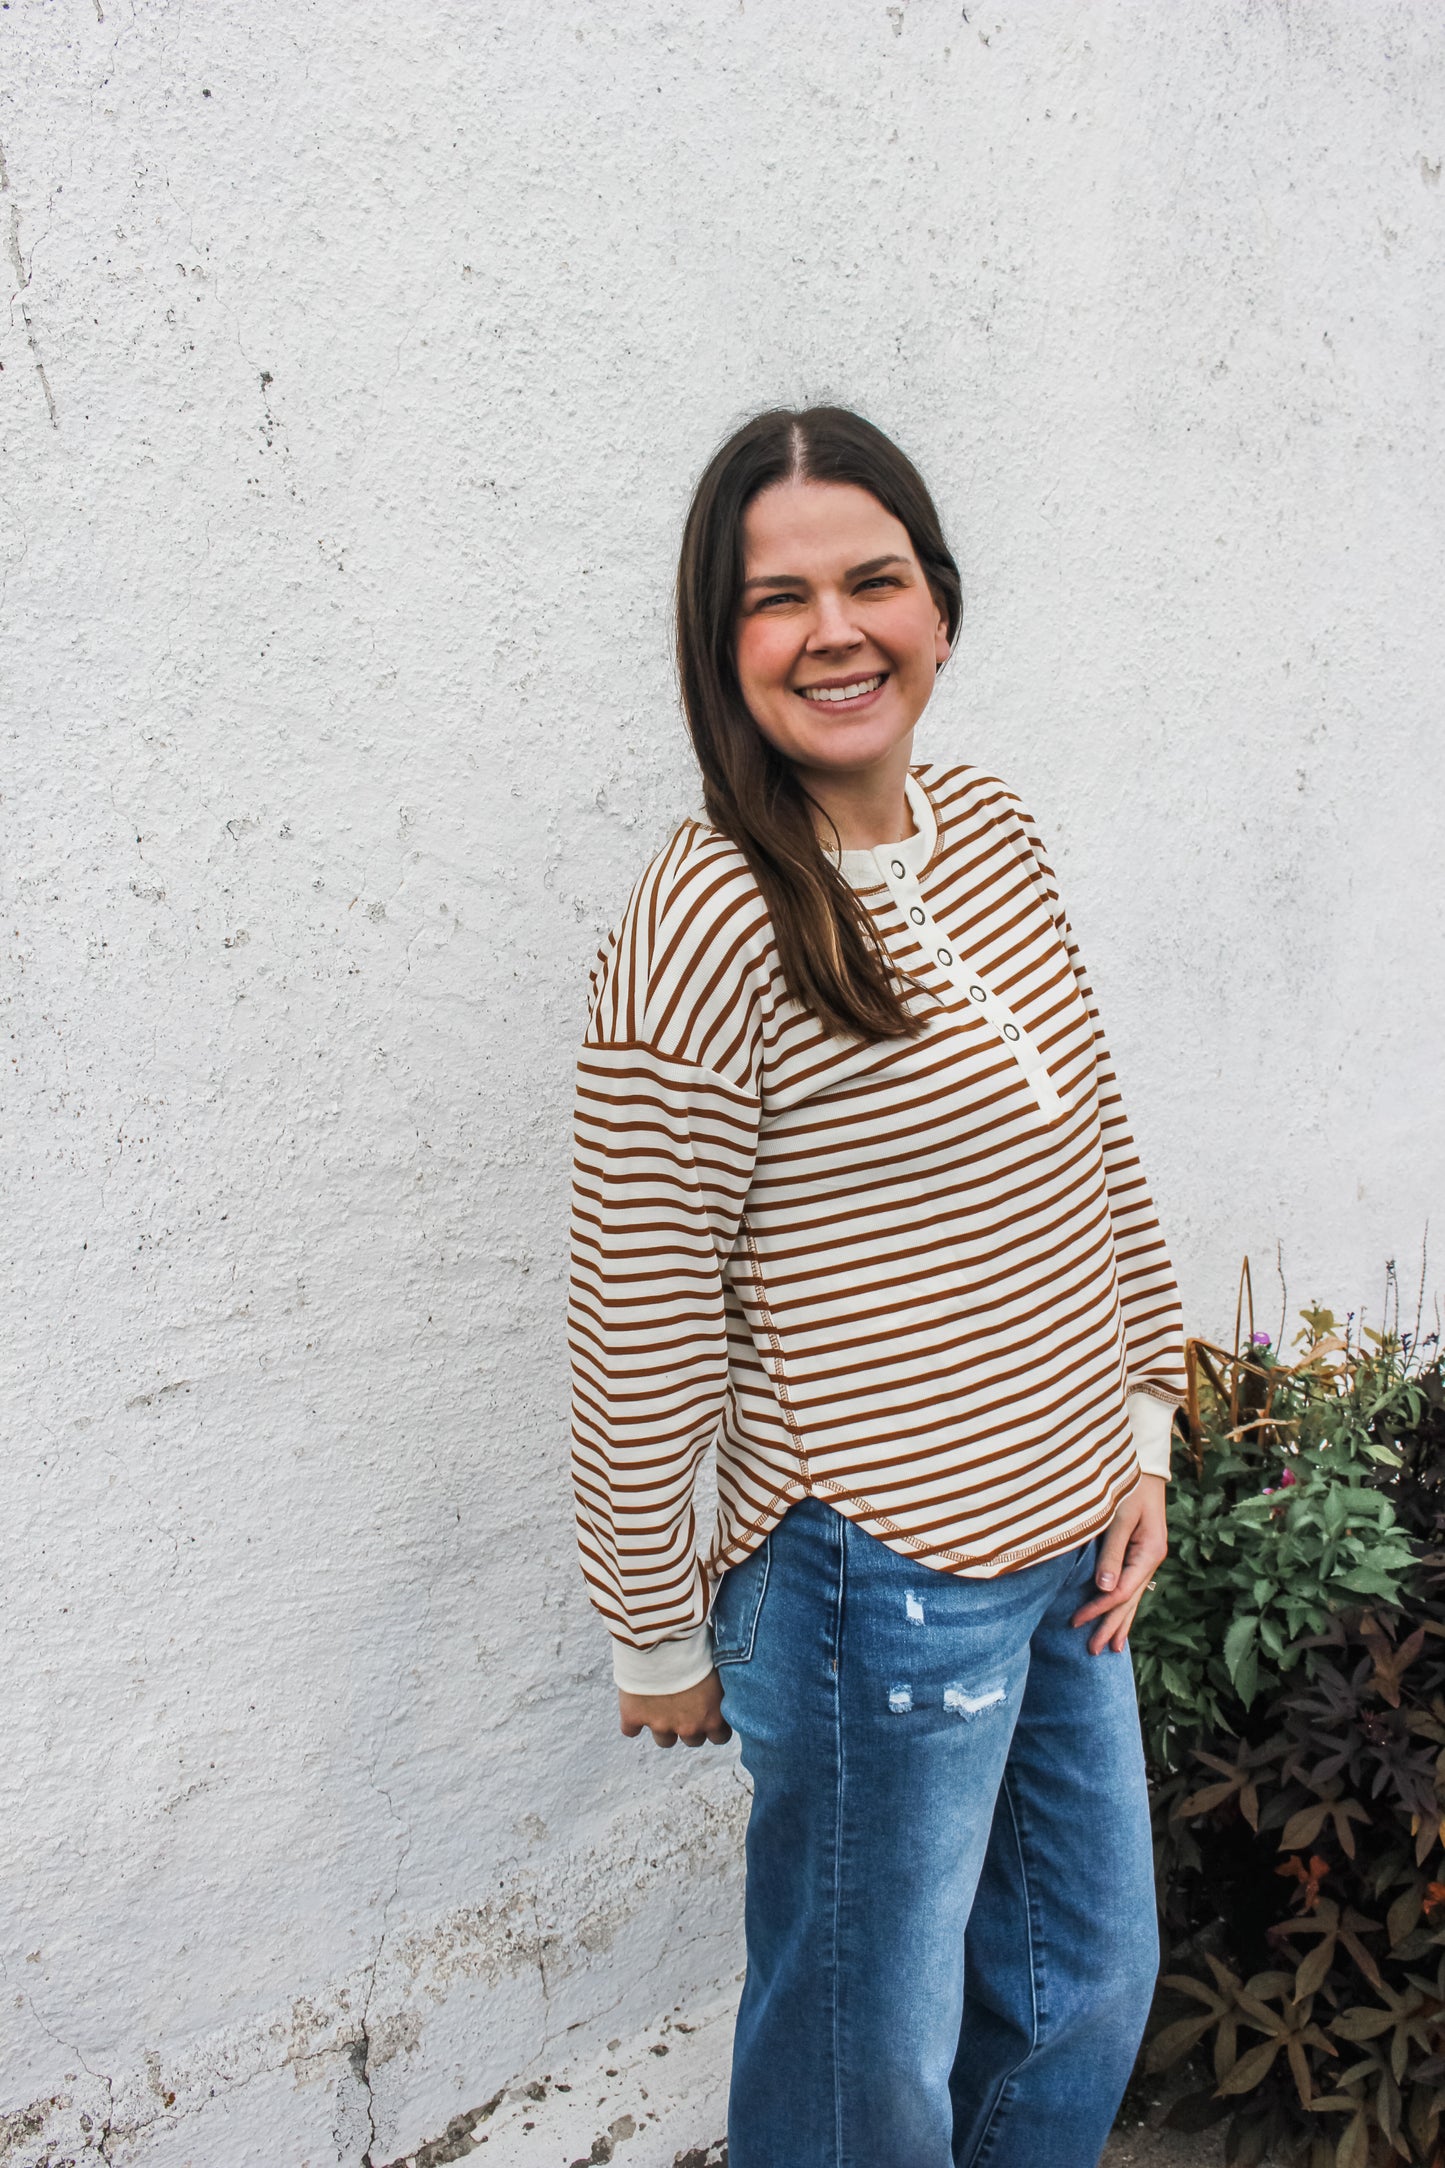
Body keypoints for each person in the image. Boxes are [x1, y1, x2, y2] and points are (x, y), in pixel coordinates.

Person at [568, 406, 1186, 2168]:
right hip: (874, 1577)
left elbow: (1089, 1145)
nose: (835, 630)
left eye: (873, 579)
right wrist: (651, 1624)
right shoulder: (701, 923)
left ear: (937, 602)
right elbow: (637, 1310)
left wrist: (1137, 1427)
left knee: (1078, 1994)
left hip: (1070, 1535)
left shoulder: (991, 826)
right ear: (719, 641)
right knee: (862, 2078)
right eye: (779, 598)